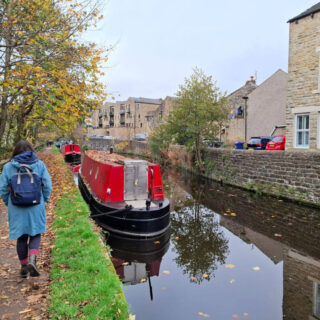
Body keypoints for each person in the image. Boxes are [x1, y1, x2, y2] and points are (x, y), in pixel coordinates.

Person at [0, 140, 52, 278]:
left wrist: (8, 202)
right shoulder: (39, 165)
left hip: (16, 207)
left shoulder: (8, 167)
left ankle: (23, 267)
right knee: (35, 233)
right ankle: (32, 260)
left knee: (21, 237)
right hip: (36, 206)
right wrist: (44, 199)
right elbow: (47, 186)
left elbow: (3, 189)